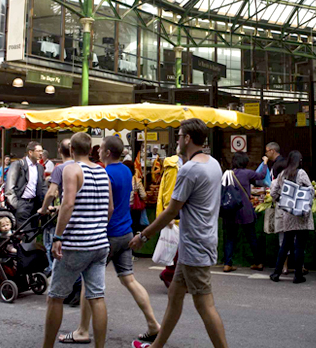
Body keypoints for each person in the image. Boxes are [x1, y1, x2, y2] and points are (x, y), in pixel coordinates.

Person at [129, 118, 228, 348]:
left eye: (180, 134)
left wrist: (143, 235)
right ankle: (156, 346)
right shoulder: (212, 163)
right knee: (175, 296)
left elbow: (172, 210)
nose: (177, 139)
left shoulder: (189, 169)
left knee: (205, 304)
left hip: (195, 244)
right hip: (197, 242)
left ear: (188, 139)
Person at [68, 135, 161, 345]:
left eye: (100, 148)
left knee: (88, 281)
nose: (98, 151)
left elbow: (106, 206)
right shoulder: (127, 171)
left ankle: (83, 330)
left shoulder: (104, 173)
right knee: (129, 279)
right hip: (126, 233)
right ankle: (153, 324)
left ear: (108, 152)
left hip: (108, 234)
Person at [41, 132, 111, 348]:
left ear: (71, 150)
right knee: (96, 297)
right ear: (91, 150)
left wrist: (58, 236)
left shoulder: (71, 169)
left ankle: (47, 346)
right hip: (99, 244)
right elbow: (110, 208)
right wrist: (98, 227)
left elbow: (68, 203)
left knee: (55, 297)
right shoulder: (102, 171)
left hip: (75, 243)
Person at [269, 150, 313, 284]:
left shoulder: (282, 174)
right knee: (299, 246)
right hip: (301, 215)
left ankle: (276, 273)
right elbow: (310, 190)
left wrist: (281, 202)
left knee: (285, 245)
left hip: (288, 215)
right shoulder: (302, 173)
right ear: (299, 161)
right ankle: (298, 275)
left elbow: (273, 192)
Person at [222, 152, 265, 272]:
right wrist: (265, 163)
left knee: (230, 238)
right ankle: (258, 262)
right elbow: (261, 175)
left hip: (230, 209)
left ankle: (227, 263)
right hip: (245, 209)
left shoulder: (227, 174)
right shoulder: (247, 173)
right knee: (251, 237)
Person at [38, 139, 74, 277]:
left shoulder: (60, 168)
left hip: (64, 214)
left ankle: (55, 274)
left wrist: (44, 208)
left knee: (55, 243)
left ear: (59, 150)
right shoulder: (82, 167)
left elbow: (51, 193)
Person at [154, 146, 182, 287]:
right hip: (175, 215)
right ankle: (168, 274)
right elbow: (169, 192)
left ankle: (172, 275)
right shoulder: (174, 167)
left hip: (178, 213)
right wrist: (169, 214)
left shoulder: (178, 166)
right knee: (176, 247)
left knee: (178, 247)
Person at [6, 142, 47, 232]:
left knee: (33, 232)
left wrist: (45, 204)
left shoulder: (40, 168)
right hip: (22, 204)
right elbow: (9, 187)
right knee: (23, 233)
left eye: (42, 151)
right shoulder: (18, 165)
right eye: (38, 151)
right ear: (30, 152)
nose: (41, 154)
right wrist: (16, 205)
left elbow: (43, 187)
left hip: (35, 205)